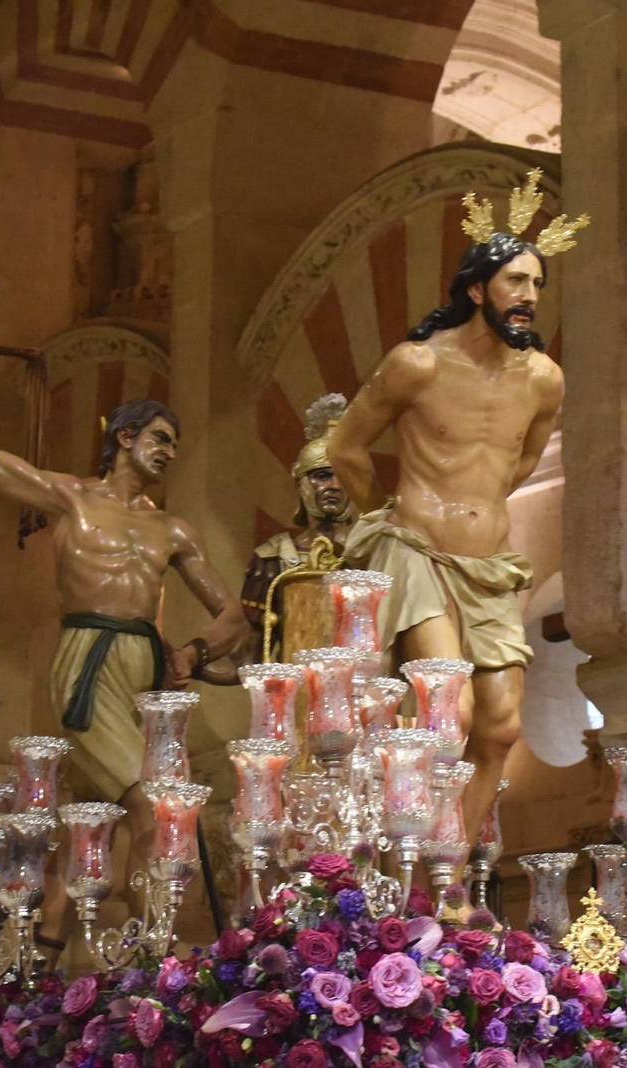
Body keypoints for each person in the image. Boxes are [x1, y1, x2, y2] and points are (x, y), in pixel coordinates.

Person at [0, 331, 246, 917]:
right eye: (161, 438)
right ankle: (147, 965)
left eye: (176, 444)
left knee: (94, 822)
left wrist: (190, 653)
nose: (170, 452)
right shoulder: (74, 498)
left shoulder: (174, 530)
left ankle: (46, 968)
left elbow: (232, 615)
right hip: (87, 659)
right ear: (124, 437)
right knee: (152, 812)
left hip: (143, 673)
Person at [328, 170, 587, 833]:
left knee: (500, 727)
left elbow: (520, 460)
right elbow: (347, 449)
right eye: (515, 282)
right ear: (478, 289)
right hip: (418, 552)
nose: (529, 297)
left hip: (489, 564)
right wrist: (384, 516)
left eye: (537, 285)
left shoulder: (544, 381)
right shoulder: (418, 364)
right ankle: (409, 859)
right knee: (450, 713)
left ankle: (448, 874)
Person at [239, 393, 357, 652]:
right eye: (323, 476)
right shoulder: (271, 559)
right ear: (302, 481)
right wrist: (194, 658)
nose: (335, 486)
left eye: (343, 476)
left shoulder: (374, 552)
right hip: (297, 687)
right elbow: (254, 653)